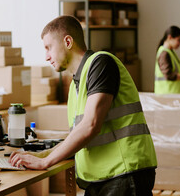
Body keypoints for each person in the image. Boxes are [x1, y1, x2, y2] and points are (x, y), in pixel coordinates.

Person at [9, 15, 157, 195]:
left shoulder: (101, 64)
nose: (46, 57)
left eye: (49, 48)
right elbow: (77, 135)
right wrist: (40, 155)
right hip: (102, 179)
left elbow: (90, 126)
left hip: (124, 176)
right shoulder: (75, 85)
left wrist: (45, 162)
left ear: (68, 42)